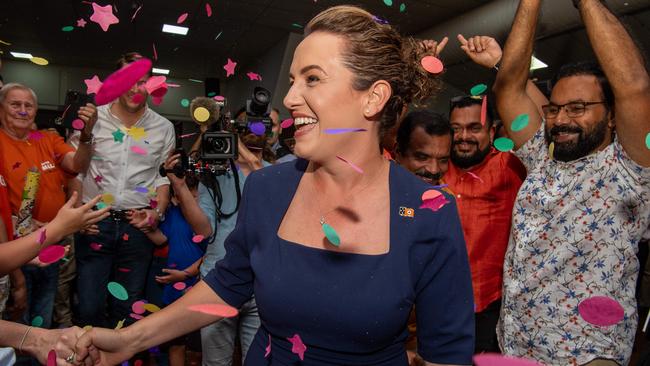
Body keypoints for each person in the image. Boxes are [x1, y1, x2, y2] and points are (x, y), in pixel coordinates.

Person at [69, 5, 474, 366]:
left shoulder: (429, 209)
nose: (291, 96)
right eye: (293, 79)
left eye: (312, 79)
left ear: (373, 99)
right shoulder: (267, 187)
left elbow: (446, 353)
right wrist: (127, 340)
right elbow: (227, 286)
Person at [493, 0, 650, 365]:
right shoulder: (541, 156)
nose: (561, 119)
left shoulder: (632, 169)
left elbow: (634, 85)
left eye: (578, 108)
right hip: (516, 348)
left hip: (587, 355)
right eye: (555, 108)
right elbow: (509, 89)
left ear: (612, 116)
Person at [71, 52, 176, 329]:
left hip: (137, 227)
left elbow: (161, 178)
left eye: (142, 81)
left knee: (128, 310)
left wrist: (157, 212)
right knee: (89, 306)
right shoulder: (93, 119)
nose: (134, 88)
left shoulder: (163, 128)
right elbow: (75, 171)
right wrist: (77, 217)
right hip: (95, 222)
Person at [0, 82, 97, 335]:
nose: (23, 111)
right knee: (17, 314)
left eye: (28, 105)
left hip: (52, 241)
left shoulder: (47, 139)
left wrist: (86, 135)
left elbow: (77, 164)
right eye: (15, 104)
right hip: (13, 246)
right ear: (1, 108)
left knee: (43, 313)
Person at [143, 153, 213, 366]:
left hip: (196, 283)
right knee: (175, 341)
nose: (190, 200)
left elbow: (209, 254)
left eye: (195, 195)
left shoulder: (206, 218)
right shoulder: (173, 213)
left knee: (198, 345)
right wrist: (144, 226)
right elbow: (162, 238)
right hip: (171, 286)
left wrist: (187, 274)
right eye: (185, 195)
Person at [395, 110, 452, 186]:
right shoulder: (378, 193)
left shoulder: (447, 196)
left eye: (443, 160)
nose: (434, 170)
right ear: (398, 153)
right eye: (422, 158)